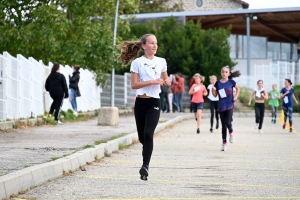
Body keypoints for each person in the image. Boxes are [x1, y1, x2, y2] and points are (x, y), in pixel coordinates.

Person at [117, 34, 171, 181]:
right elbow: (134, 85)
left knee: (148, 134)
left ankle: (145, 166)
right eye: (152, 43)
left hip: (154, 103)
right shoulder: (137, 63)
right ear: (144, 46)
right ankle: (147, 151)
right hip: (140, 103)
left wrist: (167, 82)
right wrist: (152, 81)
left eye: (156, 43)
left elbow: (166, 78)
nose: (155, 46)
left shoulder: (161, 61)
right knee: (142, 137)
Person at [212, 66, 240, 151]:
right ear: (221, 73)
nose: (224, 73)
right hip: (221, 106)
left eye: (226, 72)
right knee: (223, 126)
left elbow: (238, 89)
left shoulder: (231, 82)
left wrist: (236, 97)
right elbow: (215, 95)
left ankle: (231, 132)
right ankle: (224, 143)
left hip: (230, 105)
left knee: (228, 122)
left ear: (229, 73)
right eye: (223, 72)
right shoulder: (217, 83)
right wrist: (213, 90)